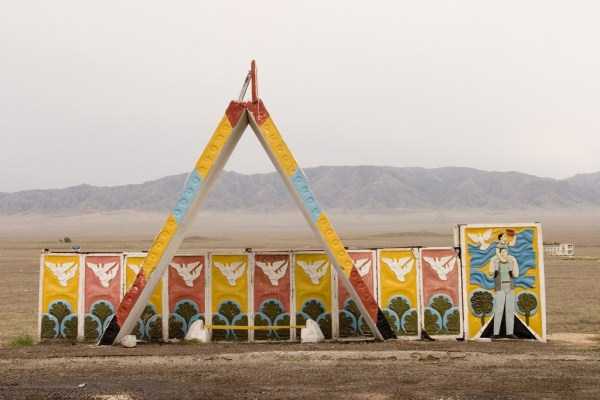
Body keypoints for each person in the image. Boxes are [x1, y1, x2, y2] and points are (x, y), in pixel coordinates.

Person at [491, 247, 519, 339]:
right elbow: (491, 273)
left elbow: (516, 274)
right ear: (499, 252)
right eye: (502, 251)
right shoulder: (495, 260)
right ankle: (496, 333)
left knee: (510, 310)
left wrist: (512, 265)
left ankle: (510, 332)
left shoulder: (512, 260)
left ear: (507, 252)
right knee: (498, 310)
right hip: (500, 287)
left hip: (510, 287)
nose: (504, 253)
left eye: (505, 251)